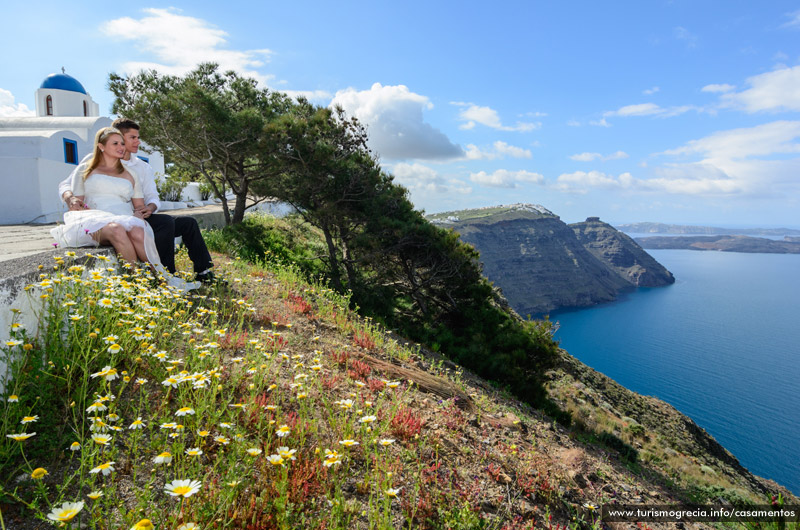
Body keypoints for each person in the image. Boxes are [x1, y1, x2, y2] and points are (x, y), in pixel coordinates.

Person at [59, 118, 216, 283]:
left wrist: (150, 207)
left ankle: (203, 271)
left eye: (137, 137)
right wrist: (70, 198)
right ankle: (165, 273)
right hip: (103, 217)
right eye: (132, 137)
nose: (138, 141)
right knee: (166, 223)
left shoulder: (141, 167)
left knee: (186, 223)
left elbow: (152, 196)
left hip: (132, 214)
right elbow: (66, 184)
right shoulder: (92, 161)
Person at [51, 127, 160, 264]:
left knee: (138, 231)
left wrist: (141, 213)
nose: (121, 147)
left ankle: (158, 277)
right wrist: (71, 199)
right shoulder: (84, 169)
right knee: (116, 229)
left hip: (124, 217)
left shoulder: (132, 173)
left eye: (122, 143)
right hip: (95, 221)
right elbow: (77, 202)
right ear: (101, 146)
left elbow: (139, 206)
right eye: (115, 143)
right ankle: (134, 276)